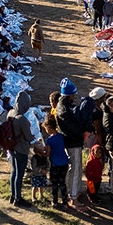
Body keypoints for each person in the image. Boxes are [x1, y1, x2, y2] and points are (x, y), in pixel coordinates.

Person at [55, 77, 88, 211]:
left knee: (72, 169)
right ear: (70, 95)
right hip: (72, 142)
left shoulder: (60, 106)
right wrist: (82, 131)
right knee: (75, 170)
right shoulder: (65, 109)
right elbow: (72, 127)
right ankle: (73, 198)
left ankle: (72, 192)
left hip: (68, 141)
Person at [6, 91, 33, 207]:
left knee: (14, 172)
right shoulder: (22, 119)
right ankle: (18, 198)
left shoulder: (11, 113)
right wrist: (33, 137)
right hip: (21, 148)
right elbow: (28, 136)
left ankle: (13, 196)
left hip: (12, 147)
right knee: (19, 174)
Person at [43, 115, 69, 208]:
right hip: (64, 162)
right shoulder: (61, 136)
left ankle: (55, 201)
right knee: (62, 183)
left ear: (49, 127)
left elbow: (48, 153)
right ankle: (65, 202)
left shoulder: (49, 140)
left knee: (54, 183)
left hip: (55, 163)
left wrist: (42, 151)